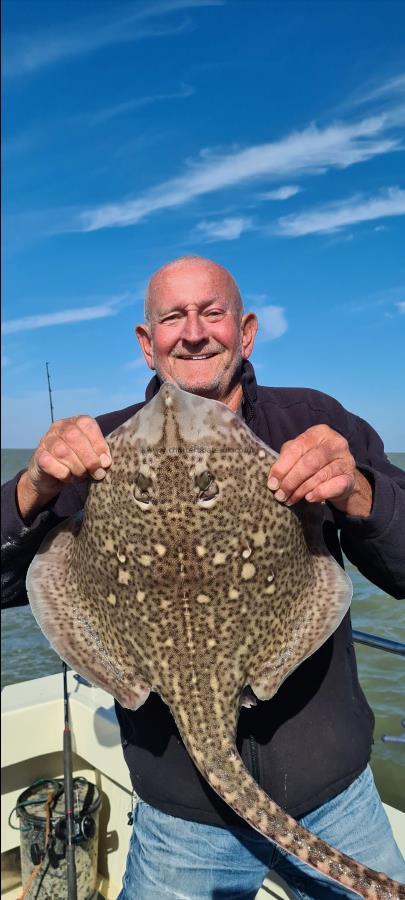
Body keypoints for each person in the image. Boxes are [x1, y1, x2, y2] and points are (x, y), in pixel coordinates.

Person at [2, 255, 404, 900]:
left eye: (212, 313)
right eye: (172, 317)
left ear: (244, 331)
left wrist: (357, 491)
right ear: (147, 341)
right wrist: (33, 487)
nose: (193, 331)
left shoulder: (312, 421)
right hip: (182, 822)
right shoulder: (100, 450)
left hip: (335, 795)